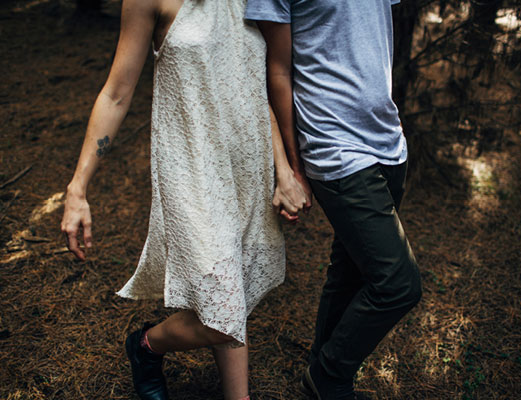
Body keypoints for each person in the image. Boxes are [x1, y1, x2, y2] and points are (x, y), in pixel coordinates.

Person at [60, 0, 308, 399]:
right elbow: (116, 94)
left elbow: (251, 86)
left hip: (247, 167)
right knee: (222, 308)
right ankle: (146, 345)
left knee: (232, 289)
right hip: (192, 169)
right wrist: (77, 188)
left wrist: (283, 171)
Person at [244, 1, 423, 399]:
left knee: (351, 269)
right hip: (333, 144)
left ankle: (321, 381)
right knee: (398, 284)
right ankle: (329, 375)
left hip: (387, 140)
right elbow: (277, 70)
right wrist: (294, 165)